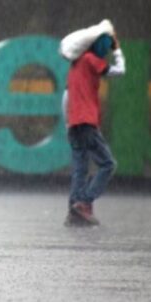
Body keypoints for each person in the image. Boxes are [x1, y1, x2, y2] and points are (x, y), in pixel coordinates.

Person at [63, 32, 125, 227]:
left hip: (73, 123)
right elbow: (119, 71)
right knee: (108, 164)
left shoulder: (75, 64)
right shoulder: (90, 59)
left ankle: (73, 210)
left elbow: (66, 96)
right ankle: (84, 203)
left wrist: (68, 122)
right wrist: (117, 51)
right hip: (87, 122)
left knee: (80, 169)